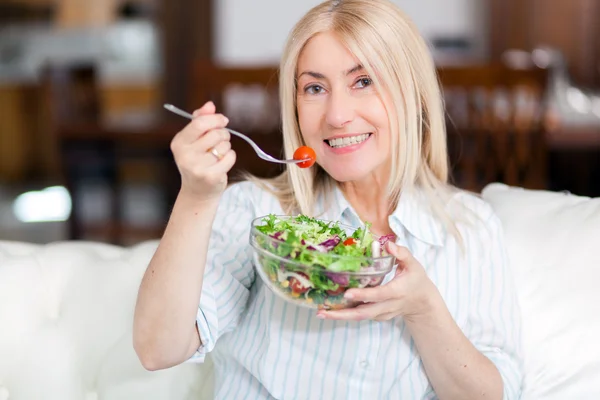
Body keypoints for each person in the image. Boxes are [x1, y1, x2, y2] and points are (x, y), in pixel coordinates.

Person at [133, 0, 523, 398]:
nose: (337, 115)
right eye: (315, 88)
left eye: (363, 81)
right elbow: (158, 348)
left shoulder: (470, 228)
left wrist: (424, 310)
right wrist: (196, 196)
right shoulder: (254, 212)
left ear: (413, 92)